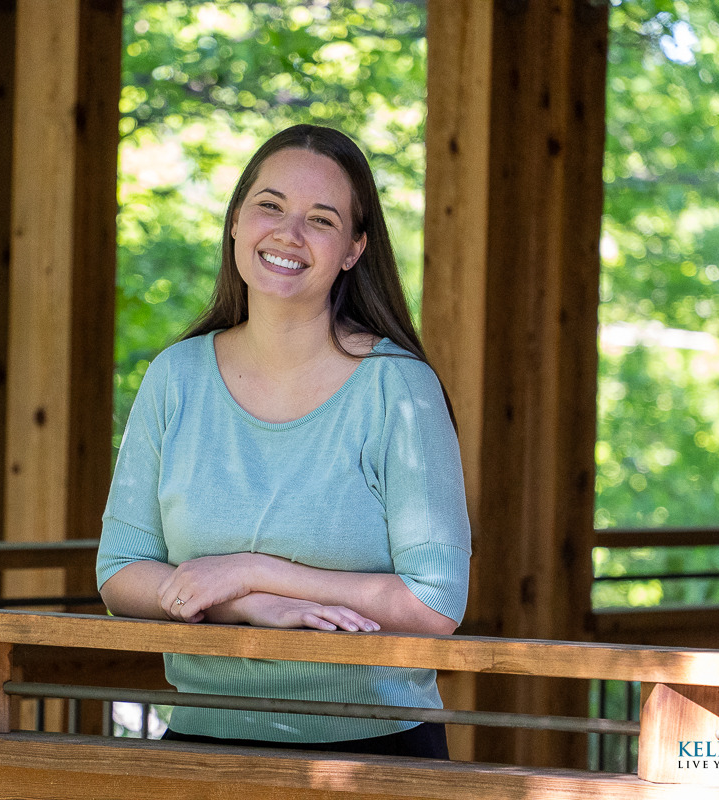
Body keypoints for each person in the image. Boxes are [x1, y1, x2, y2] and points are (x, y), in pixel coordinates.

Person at [96, 124, 471, 759]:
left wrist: (251, 571)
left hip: (375, 751)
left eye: (321, 220)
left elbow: (434, 603)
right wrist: (247, 606)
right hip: (201, 745)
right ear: (236, 221)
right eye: (269, 205)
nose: (288, 234)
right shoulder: (175, 378)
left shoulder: (397, 389)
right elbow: (119, 572)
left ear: (353, 249)